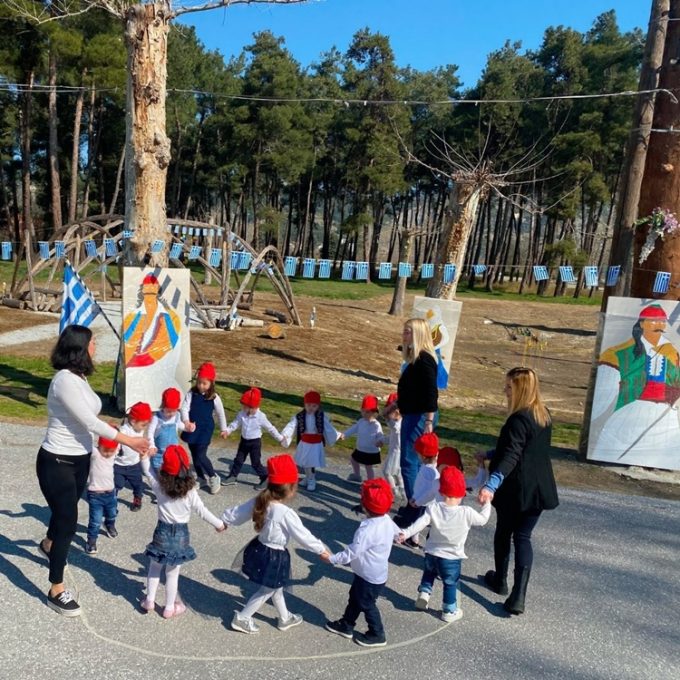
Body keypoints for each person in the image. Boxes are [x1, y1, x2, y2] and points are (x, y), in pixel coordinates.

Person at [37, 324, 149, 616]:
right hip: (57, 461)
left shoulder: (79, 377)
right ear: (79, 348)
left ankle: (49, 543)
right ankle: (56, 589)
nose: (96, 346)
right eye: (93, 342)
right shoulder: (63, 381)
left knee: (65, 513)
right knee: (69, 521)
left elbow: (92, 415)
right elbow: (91, 422)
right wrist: (130, 441)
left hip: (79, 460)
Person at [478, 367, 559, 615]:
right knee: (523, 538)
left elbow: (513, 455)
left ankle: (501, 581)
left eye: (509, 387)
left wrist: (491, 485)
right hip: (540, 488)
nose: (505, 391)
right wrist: (491, 454)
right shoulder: (543, 415)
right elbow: (523, 448)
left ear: (521, 389)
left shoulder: (518, 419)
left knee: (504, 532)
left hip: (516, 489)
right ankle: (518, 596)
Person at [221, 454, 329, 634]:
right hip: (275, 556)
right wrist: (321, 550)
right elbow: (303, 535)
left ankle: (285, 618)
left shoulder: (261, 500)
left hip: (259, 549)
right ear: (291, 488)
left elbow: (239, 512)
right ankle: (243, 617)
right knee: (268, 590)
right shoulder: (285, 513)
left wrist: (225, 521)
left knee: (275, 586)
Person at [590, 303, 680, 468]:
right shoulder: (618, 354)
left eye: (662, 321)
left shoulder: (672, 353)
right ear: (641, 323)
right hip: (630, 412)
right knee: (620, 448)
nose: (659, 325)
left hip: (665, 417)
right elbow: (605, 394)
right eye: (653, 321)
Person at [140, 445, 225, 618]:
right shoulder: (190, 491)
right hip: (181, 535)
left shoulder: (159, 486)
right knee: (172, 573)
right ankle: (169, 608)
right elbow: (202, 511)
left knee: (155, 566)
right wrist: (219, 524)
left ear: (165, 468)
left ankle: (149, 600)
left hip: (161, 531)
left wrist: (145, 456)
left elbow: (147, 470)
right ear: (186, 468)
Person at [398, 466, 491, 623]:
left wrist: (406, 533)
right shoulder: (466, 512)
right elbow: (483, 520)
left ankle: (424, 594)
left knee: (429, 574)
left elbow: (419, 524)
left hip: (431, 552)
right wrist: (487, 504)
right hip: (451, 558)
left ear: (441, 492)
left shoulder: (433, 508)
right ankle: (449, 610)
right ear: (462, 493)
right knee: (450, 583)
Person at [323, 478, 400, 648]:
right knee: (355, 598)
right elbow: (395, 530)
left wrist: (332, 558)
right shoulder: (386, 519)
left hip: (369, 576)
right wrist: (400, 535)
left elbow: (352, 552)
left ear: (365, 506)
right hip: (369, 573)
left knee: (366, 604)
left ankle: (377, 633)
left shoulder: (367, 530)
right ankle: (346, 624)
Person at [383, 318, 438, 521]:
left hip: (420, 417)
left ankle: (415, 508)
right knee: (412, 463)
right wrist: (394, 405)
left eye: (407, 331)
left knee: (409, 462)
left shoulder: (425, 359)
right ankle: (414, 503)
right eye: (404, 331)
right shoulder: (414, 360)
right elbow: (412, 391)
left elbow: (431, 392)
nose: (403, 334)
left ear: (417, 334)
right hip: (412, 414)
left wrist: (429, 422)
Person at [221, 386, 285, 490]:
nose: (243, 409)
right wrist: (227, 431)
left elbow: (270, 428)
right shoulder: (242, 414)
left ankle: (265, 478)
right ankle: (232, 476)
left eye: (245, 407)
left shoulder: (261, 417)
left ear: (253, 407)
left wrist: (280, 438)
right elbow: (235, 423)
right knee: (238, 460)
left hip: (255, 443)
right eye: (243, 406)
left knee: (255, 463)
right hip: (244, 441)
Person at [180, 361, 228, 494]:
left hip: (205, 429)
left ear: (211, 383)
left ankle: (213, 476)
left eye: (204, 383)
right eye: (199, 382)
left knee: (201, 454)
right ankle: (200, 477)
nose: (201, 386)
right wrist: (186, 421)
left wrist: (224, 429)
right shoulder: (191, 393)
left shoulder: (214, 397)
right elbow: (184, 408)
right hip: (192, 428)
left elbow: (220, 414)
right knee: (195, 454)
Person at [280, 390, 339, 492]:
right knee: (304, 462)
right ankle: (308, 478)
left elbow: (329, 428)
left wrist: (337, 434)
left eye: (314, 406)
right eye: (308, 405)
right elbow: (292, 425)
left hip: (315, 444)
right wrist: (285, 434)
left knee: (310, 463)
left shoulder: (321, 416)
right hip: (305, 443)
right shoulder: (299, 416)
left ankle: (312, 479)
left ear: (318, 406)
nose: (311, 408)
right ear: (304, 404)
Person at [399, 432, 440, 546]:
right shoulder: (433, 469)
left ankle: (413, 539)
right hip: (424, 501)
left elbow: (426, 489)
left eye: (417, 454)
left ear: (422, 456)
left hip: (421, 502)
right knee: (418, 519)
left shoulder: (428, 471)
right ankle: (414, 538)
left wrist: (416, 501)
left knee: (417, 520)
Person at [85, 433, 120, 556]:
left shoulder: (114, 452)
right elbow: (87, 440)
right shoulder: (95, 453)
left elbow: (119, 437)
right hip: (95, 495)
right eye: (105, 450)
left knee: (112, 513)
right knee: (95, 520)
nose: (108, 453)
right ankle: (91, 541)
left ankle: (109, 525)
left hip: (111, 492)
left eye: (111, 451)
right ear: (99, 445)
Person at [114, 401, 152, 512]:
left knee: (138, 484)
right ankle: (112, 502)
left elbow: (144, 441)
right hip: (119, 465)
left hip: (134, 465)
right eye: (143, 425)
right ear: (133, 421)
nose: (144, 428)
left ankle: (137, 498)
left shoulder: (139, 428)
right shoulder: (124, 430)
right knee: (116, 485)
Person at [339, 394, 384, 483]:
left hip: (370, 450)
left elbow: (380, 434)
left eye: (367, 412)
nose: (364, 414)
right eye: (363, 411)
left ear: (373, 412)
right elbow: (353, 429)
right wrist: (345, 434)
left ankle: (370, 482)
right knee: (353, 460)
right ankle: (357, 475)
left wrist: (380, 441)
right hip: (360, 448)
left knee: (368, 466)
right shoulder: (361, 421)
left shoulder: (376, 424)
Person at [148, 387, 188, 471]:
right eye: (168, 411)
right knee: (160, 475)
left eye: (174, 411)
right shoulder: (157, 417)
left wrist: (188, 428)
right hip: (159, 454)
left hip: (173, 453)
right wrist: (151, 445)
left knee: (173, 471)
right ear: (163, 406)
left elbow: (180, 425)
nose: (171, 414)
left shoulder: (177, 415)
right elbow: (150, 432)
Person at [382, 392, 405, 502]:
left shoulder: (397, 424)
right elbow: (392, 438)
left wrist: (387, 416)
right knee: (398, 473)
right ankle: (402, 490)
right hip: (394, 451)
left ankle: (394, 491)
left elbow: (393, 428)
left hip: (396, 452)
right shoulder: (397, 423)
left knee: (387, 472)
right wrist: (383, 440)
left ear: (396, 412)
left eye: (388, 411)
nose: (386, 415)